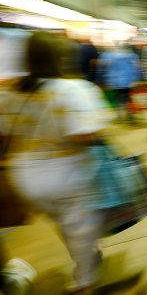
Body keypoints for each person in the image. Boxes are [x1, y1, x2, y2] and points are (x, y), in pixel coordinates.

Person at [0, 32, 111, 294]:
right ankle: (83, 280)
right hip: (66, 171)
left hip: (25, 177)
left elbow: (5, 135)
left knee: (65, 222)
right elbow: (87, 133)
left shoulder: (8, 93)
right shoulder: (73, 89)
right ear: (61, 57)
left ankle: (87, 253)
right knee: (80, 226)